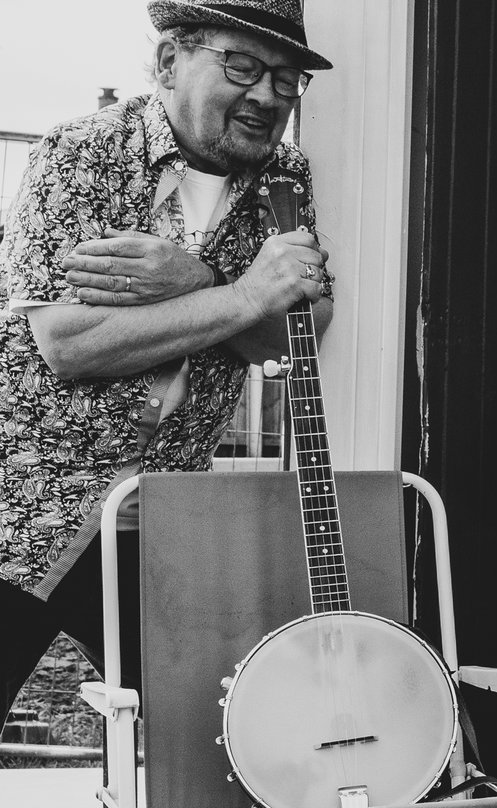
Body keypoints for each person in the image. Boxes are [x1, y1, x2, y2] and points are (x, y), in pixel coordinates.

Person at [0, 0, 334, 721]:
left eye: (286, 78)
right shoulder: (79, 151)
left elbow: (304, 333)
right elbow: (69, 343)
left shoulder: (289, 176)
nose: (267, 95)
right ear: (167, 62)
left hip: (161, 517)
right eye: (241, 65)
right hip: (18, 510)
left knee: (220, 724)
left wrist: (199, 281)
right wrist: (246, 299)